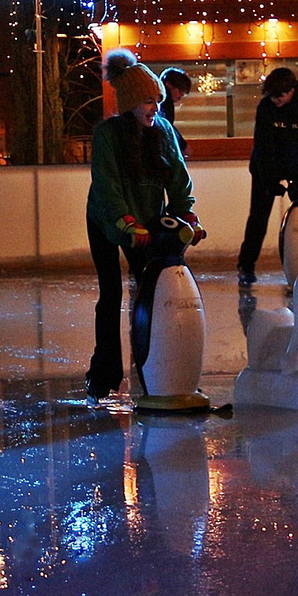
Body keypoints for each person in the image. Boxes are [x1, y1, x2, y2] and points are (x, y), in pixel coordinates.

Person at [85, 49, 205, 402]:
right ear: (130, 104)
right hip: (107, 219)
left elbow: (179, 181)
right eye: (148, 101)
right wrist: (127, 223)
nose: (156, 107)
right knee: (111, 294)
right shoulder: (108, 135)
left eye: (158, 100)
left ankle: (156, 369)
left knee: (152, 293)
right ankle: (104, 373)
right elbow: (108, 186)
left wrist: (187, 216)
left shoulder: (163, 131)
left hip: (148, 222)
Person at [236, 66, 298, 284]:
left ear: (291, 91)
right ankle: (246, 265)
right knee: (259, 216)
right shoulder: (266, 108)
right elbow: (263, 146)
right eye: (271, 96)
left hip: (297, 164)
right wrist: (270, 181)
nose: (275, 100)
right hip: (266, 164)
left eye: (279, 96)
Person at [160, 67, 192, 156]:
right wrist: (183, 145)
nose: (182, 94)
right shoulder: (164, 101)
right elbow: (166, 125)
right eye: (180, 89)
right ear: (168, 85)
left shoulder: (164, 100)